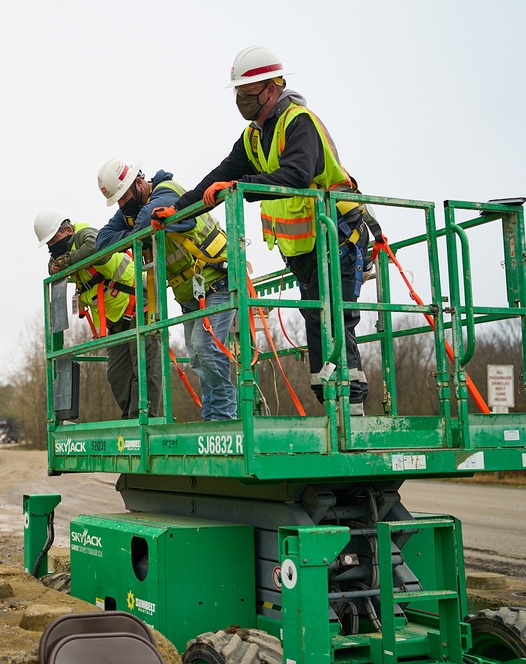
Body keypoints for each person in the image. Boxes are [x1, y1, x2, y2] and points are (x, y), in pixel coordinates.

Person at [153, 45, 370, 415]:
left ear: (270, 89)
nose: (241, 101)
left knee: (333, 320)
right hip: (305, 248)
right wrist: (179, 208)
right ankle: (333, 410)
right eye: (237, 94)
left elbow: (297, 175)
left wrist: (239, 189)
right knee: (318, 323)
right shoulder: (255, 136)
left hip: (338, 237)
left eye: (246, 93)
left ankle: (352, 416)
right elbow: (221, 175)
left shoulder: (299, 122)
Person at [95, 160, 237, 421]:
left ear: (139, 183)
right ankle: (214, 417)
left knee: (206, 349)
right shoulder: (133, 210)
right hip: (191, 295)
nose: (121, 206)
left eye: (123, 198)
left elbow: (144, 224)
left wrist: (133, 230)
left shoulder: (168, 191)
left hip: (217, 280)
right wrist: (133, 229)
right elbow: (103, 241)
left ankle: (223, 419)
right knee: (197, 356)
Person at [35, 207, 162, 419]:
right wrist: (56, 264)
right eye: (47, 244)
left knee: (144, 368)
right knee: (118, 375)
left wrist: (67, 260)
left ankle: (146, 423)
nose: (51, 247)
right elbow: (52, 268)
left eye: (53, 239)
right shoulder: (61, 252)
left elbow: (95, 247)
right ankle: (131, 421)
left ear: (67, 229)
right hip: (116, 319)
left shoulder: (85, 234)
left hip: (140, 304)